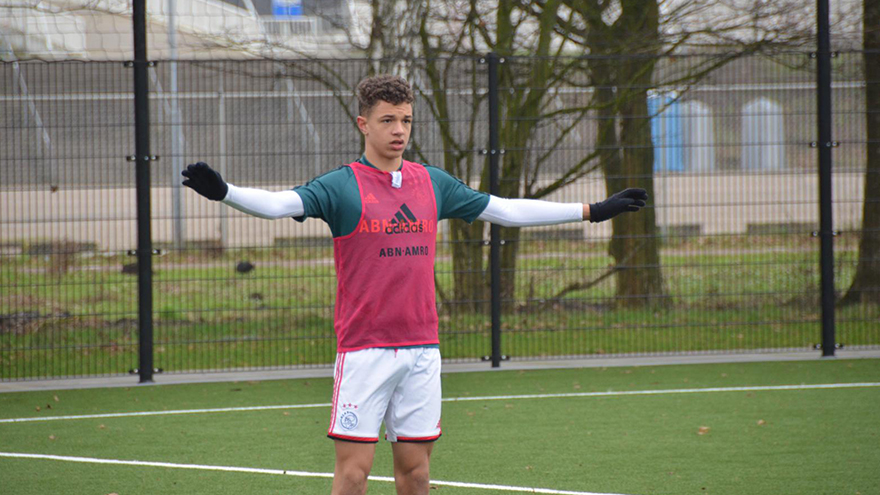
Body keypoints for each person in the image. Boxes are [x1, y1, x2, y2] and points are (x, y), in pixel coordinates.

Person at [182, 74, 647, 495]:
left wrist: (591, 211)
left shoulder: (432, 182)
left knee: (417, 475)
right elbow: (277, 204)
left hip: (422, 349)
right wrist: (226, 193)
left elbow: (504, 210)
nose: (399, 130)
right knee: (353, 475)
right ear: (363, 124)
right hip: (365, 350)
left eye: (405, 120)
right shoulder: (341, 186)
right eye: (387, 120)